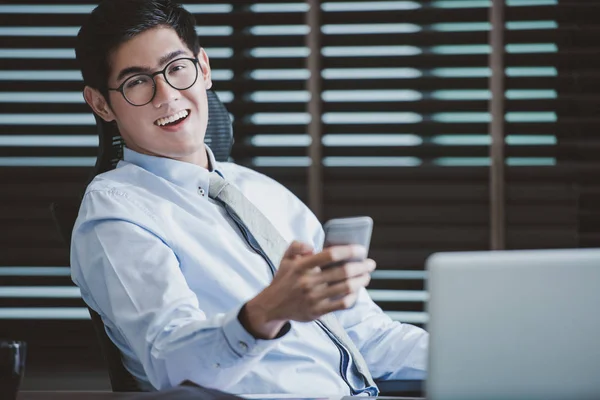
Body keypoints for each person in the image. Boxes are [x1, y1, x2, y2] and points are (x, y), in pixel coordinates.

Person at [71, 0, 428, 395]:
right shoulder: (115, 212)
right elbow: (172, 364)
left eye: (177, 69)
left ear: (203, 68)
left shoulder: (265, 193)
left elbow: (366, 335)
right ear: (101, 103)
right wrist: (268, 311)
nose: (167, 95)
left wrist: (486, 352)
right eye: (137, 81)